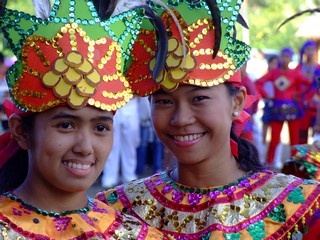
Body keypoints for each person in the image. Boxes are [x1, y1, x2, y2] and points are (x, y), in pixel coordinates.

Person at [96, 0, 320, 239]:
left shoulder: (301, 209)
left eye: (199, 98)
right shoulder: (117, 211)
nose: (181, 119)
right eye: (164, 101)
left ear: (237, 102)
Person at [0, 0, 167, 239]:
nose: (85, 147)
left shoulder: (136, 234)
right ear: (22, 133)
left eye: (100, 127)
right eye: (66, 125)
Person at [255, 47, 311, 167]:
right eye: (283, 56)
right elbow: (258, 83)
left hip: (293, 110)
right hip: (277, 110)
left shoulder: (295, 73)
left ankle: (295, 167)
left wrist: (299, 94)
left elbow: (309, 83)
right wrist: (267, 95)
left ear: (291, 58)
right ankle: (268, 166)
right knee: (274, 140)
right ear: (280, 57)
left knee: (294, 141)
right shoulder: (274, 72)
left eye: (287, 56)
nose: (285, 59)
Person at [101, 96, 140, 188]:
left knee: (130, 144)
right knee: (111, 143)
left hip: (131, 103)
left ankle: (129, 176)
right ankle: (109, 178)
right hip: (113, 102)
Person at [296, 40, 320, 144]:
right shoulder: (299, 68)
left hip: (316, 108)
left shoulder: (319, 68)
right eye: (308, 49)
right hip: (301, 108)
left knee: (316, 141)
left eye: (312, 50)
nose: (310, 52)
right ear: (304, 51)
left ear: (315, 51)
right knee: (301, 140)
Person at [136, 96, 164, 176]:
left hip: (157, 120)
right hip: (144, 121)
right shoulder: (142, 92)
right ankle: (140, 169)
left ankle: (158, 167)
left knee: (157, 144)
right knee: (142, 145)